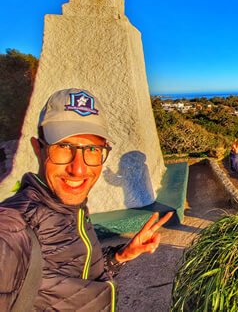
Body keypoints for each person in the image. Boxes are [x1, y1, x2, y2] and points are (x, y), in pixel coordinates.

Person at [0, 88, 173, 311]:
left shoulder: (73, 211)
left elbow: (80, 277)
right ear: (38, 149)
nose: (78, 169)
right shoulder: (12, 230)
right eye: (64, 147)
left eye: (91, 149)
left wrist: (120, 256)